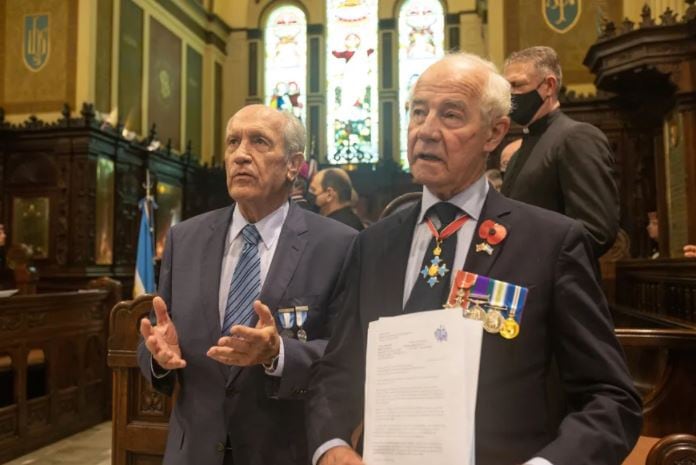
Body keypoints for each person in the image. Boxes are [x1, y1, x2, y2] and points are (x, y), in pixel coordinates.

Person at [306, 53, 641, 465]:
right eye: (418, 112)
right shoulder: (372, 244)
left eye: (450, 115)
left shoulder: (550, 243)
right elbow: (336, 371)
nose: (426, 131)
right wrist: (331, 447)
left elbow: (611, 398)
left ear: (494, 133)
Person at [137, 104, 357, 465]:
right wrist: (158, 357)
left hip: (282, 451)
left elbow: (346, 355)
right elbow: (154, 338)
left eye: (258, 142)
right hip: (193, 453)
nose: (240, 155)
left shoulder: (338, 244)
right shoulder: (184, 239)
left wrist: (278, 354)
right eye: (232, 142)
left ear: (293, 165)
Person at [500, 46, 619, 258]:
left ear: (548, 86)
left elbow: (596, 230)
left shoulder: (576, 137)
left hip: (557, 283)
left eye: (517, 85)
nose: (510, 95)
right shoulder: (520, 151)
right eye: (506, 87)